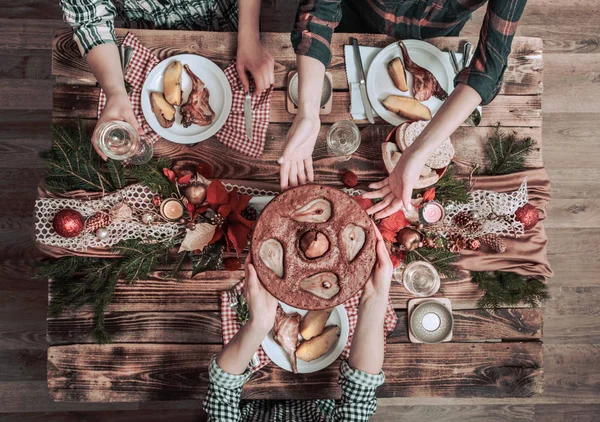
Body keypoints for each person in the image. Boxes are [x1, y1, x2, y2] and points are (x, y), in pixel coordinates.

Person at [280, 0, 527, 216]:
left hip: (439, 34)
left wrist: (419, 151)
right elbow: (319, 12)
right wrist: (308, 110)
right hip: (355, 19)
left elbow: (488, 69)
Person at [203, 224, 393, 421]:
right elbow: (360, 392)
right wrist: (375, 298)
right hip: (321, 402)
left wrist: (259, 323)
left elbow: (222, 390)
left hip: (251, 404)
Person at [60, 0, 275, 158]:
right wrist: (115, 90)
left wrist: (250, 37)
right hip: (149, 29)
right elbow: (91, 21)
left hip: (227, 18)